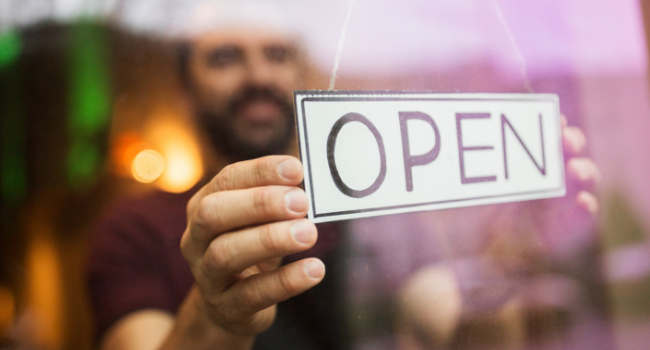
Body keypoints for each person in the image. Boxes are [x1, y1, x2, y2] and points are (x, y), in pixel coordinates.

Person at [87, 4, 601, 350]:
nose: (259, 75)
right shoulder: (133, 230)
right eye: (225, 57)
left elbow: (455, 323)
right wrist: (218, 318)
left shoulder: (365, 203)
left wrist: (515, 252)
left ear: (302, 74)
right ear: (185, 89)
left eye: (277, 54)